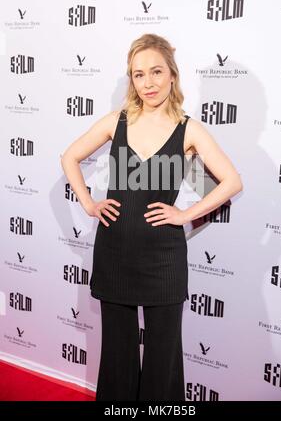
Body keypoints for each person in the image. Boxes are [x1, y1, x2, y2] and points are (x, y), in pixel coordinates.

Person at [60, 33, 243, 401]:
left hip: (164, 259)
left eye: (156, 72)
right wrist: (89, 203)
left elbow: (232, 181)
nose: (148, 83)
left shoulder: (188, 128)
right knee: (117, 355)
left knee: (164, 357)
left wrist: (186, 214)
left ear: (172, 76)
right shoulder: (118, 122)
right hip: (114, 253)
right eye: (139, 74)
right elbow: (69, 157)